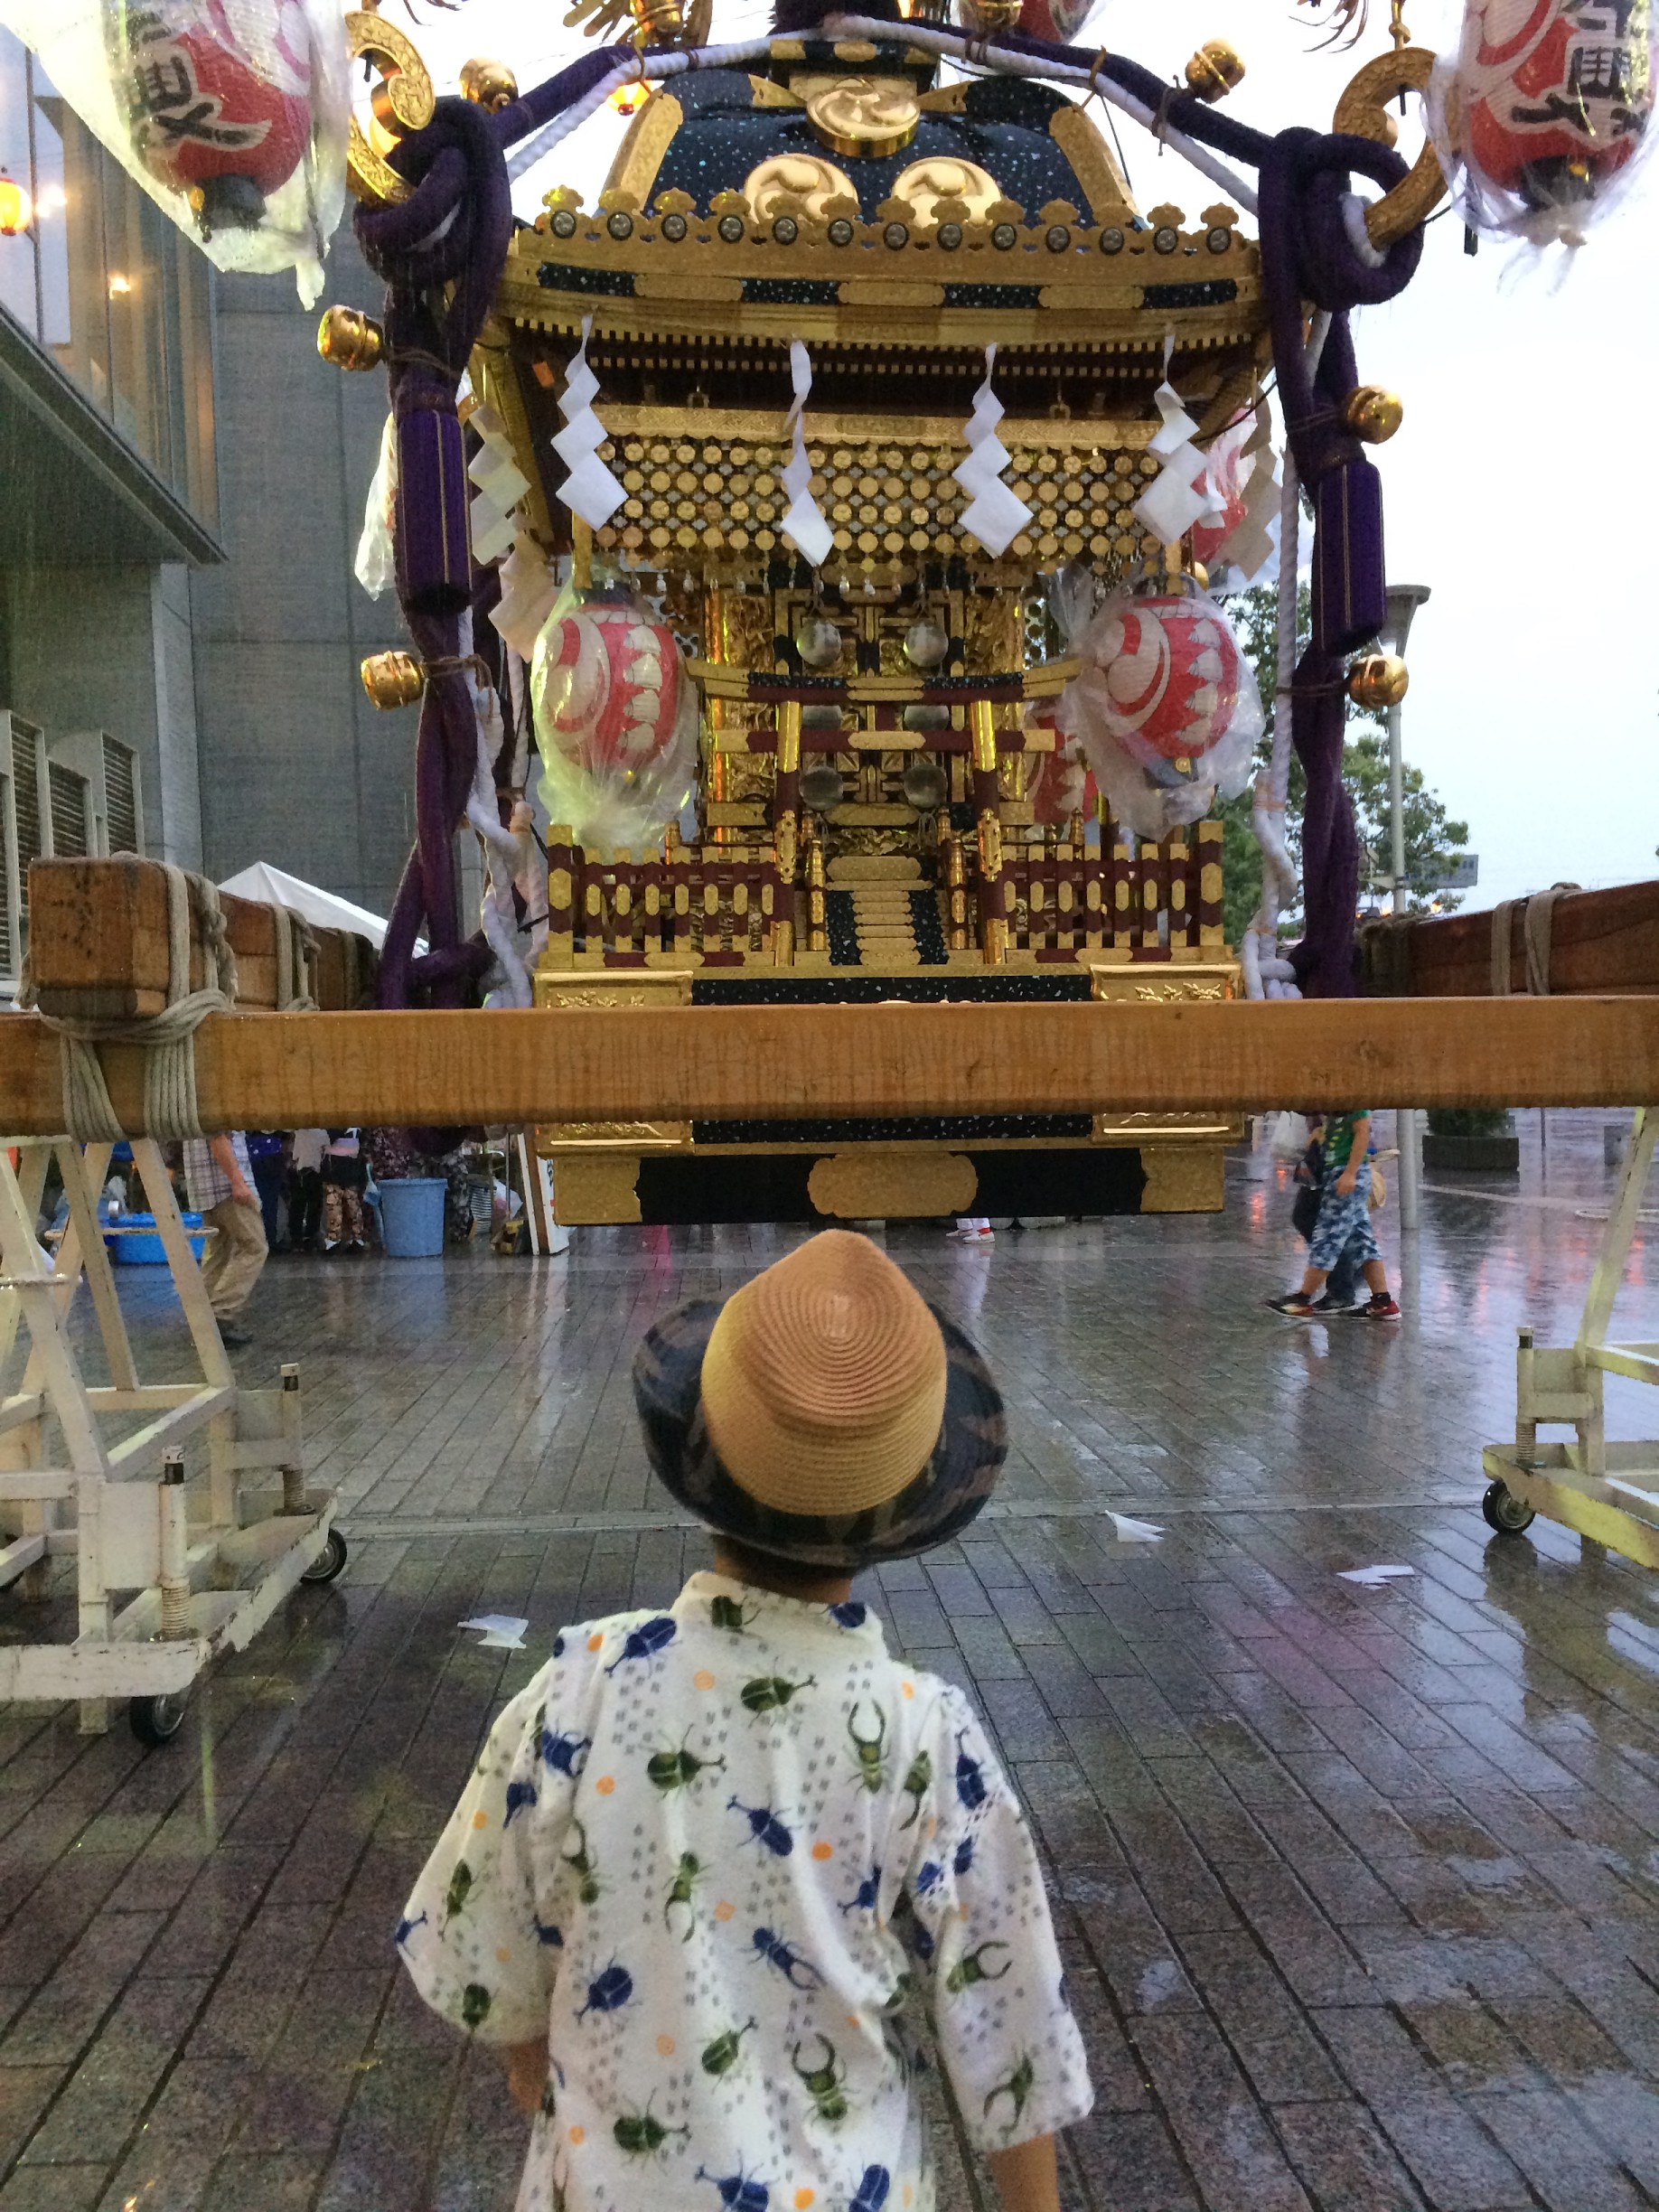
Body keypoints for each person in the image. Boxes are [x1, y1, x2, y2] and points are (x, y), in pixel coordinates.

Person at [397, 1231, 1092, 2212]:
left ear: (704, 1452)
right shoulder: (924, 1738)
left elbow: (477, 1947)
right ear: (904, 1501)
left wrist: (536, 2067)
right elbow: (1015, 2035)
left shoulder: (576, 1689)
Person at [1270, 1109, 1400, 1319]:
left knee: (1328, 1236)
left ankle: (1302, 1299)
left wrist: (1350, 1173)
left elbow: (1362, 1132)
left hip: (1346, 1175)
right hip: (1338, 1172)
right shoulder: (1338, 1107)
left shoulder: (1354, 1103)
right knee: (1362, 1241)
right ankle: (1383, 1301)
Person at [181, 1130, 267, 1346]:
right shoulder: (218, 1100)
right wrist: (238, 1182)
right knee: (254, 1247)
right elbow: (218, 1137)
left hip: (204, 1188)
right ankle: (221, 1314)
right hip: (225, 1187)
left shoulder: (191, 1103)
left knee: (218, 1251)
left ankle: (203, 1320)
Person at [1291, 1117, 1363, 1315]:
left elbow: (1361, 1125)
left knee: (1317, 1220)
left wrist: (1351, 1172)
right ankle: (1352, 1279)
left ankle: (1340, 1287)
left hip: (1336, 1153)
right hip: (1329, 1148)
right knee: (1348, 1226)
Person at [321, 1129, 368, 1253]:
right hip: (350, 1167)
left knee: (336, 1206)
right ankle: (355, 1238)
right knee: (351, 1205)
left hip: (336, 1169)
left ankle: (336, 1240)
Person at [247, 1131, 287, 1253]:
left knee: (266, 1203)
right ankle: (269, 1240)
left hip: (259, 1154)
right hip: (269, 1155)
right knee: (268, 1203)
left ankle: (267, 1240)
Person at [289, 1128, 328, 1253]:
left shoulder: (299, 1132)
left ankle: (297, 1239)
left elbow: (295, 1155)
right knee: (314, 1206)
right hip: (316, 1171)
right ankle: (310, 1236)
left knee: (298, 1206)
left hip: (301, 1172)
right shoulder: (322, 1132)